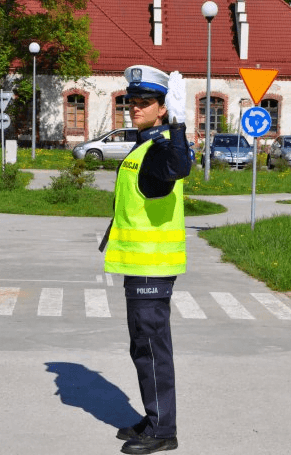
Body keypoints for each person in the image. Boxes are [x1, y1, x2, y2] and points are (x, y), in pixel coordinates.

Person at [99, 65, 192, 454]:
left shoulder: (161, 148)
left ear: (163, 108)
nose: (135, 107)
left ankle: (163, 431)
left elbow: (177, 167)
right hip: (140, 266)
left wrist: (182, 126)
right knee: (143, 346)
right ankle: (154, 418)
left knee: (151, 348)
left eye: (145, 102)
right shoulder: (144, 146)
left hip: (152, 268)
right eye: (131, 101)